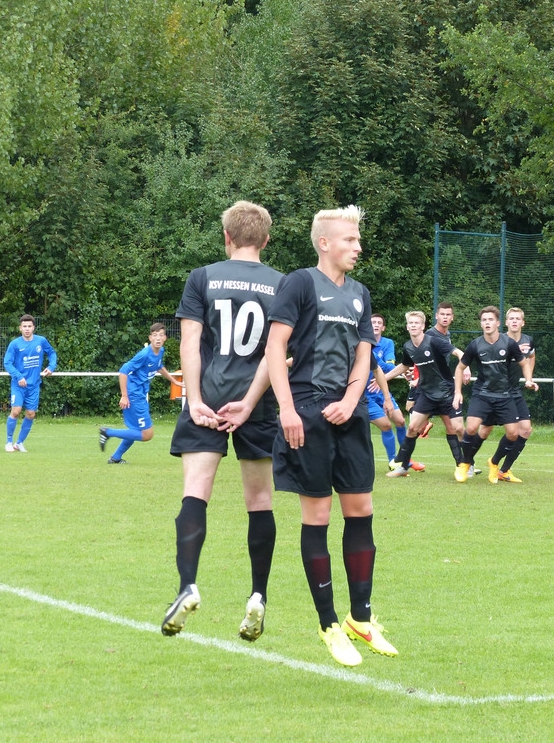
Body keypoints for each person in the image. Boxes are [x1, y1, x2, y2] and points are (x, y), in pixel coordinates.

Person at [265, 204, 398, 667]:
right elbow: (275, 347)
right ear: (325, 243)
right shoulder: (299, 283)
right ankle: (328, 625)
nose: (358, 247)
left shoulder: (360, 293)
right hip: (307, 409)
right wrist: (286, 409)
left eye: (358, 240)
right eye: (350, 240)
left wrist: (351, 399)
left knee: (361, 510)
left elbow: (364, 355)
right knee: (317, 516)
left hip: (350, 411)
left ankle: (360, 618)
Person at [160, 200, 283, 642]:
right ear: (265, 240)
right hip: (258, 403)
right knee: (260, 499)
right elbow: (277, 353)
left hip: (208, 400)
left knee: (195, 492)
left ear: (227, 237)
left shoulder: (203, 277)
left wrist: (193, 399)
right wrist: (249, 402)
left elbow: (189, 344)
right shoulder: (282, 284)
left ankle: (188, 585)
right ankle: (258, 595)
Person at [452, 306, 536, 483]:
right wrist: (457, 392)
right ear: (481, 324)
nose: (487, 323)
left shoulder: (509, 344)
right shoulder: (475, 345)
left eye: (490, 320)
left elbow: (525, 362)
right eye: (484, 320)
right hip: (482, 394)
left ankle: (496, 464)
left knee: (513, 433)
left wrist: (529, 380)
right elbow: (460, 368)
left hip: (505, 395)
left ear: (498, 323)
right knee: (472, 428)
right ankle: (465, 463)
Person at [383, 310, 466, 477]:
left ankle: (465, 464)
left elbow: (459, 353)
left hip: (446, 392)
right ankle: (403, 467)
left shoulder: (434, 341)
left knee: (457, 428)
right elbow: (405, 366)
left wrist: (466, 367)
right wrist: (382, 378)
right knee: (412, 427)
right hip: (427, 394)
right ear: (407, 327)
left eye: (416, 323)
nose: (413, 325)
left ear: (422, 326)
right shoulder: (408, 346)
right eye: (411, 323)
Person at [98, 323, 181, 464]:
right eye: (155, 335)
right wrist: (124, 396)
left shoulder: (160, 351)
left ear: (165, 338)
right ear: (150, 338)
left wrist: (173, 380)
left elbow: (159, 366)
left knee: (135, 430)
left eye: (161, 335)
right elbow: (123, 371)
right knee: (147, 434)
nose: (158, 338)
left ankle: (115, 458)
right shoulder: (144, 354)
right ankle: (107, 432)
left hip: (140, 394)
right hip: (134, 395)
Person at [477, 306, 537, 483]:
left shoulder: (528, 340)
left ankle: (502, 469)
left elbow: (530, 357)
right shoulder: (499, 340)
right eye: (511, 318)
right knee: (483, 430)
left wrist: (529, 379)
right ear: (506, 322)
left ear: (523, 322)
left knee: (525, 430)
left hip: (514, 391)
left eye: (518, 318)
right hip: (497, 392)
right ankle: (465, 462)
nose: (514, 321)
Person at [366, 313, 422, 471]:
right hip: (365, 394)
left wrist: (404, 371)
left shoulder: (382, 347)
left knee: (400, 421)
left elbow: (387, 365)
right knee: (385, 425)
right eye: (372, 322)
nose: (376, 325)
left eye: (379, 323)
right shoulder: (360, 346)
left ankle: (405, 458)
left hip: (380, 391)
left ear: (383, 327)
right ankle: (393, 461)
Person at [3, 314, 57, 453]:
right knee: (16, 411)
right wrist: (18, 377)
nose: (27, 329)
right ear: (20, 328)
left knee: (31, 414)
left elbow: (52, 353)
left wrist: (51, 367)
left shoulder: (41, 341)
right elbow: (7, 363)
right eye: (24, 326)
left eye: (29, 326)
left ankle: (19, 443)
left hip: (34, 385)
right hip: (18, 385)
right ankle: (9, 442)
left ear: (33, 328)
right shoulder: (15, 344)